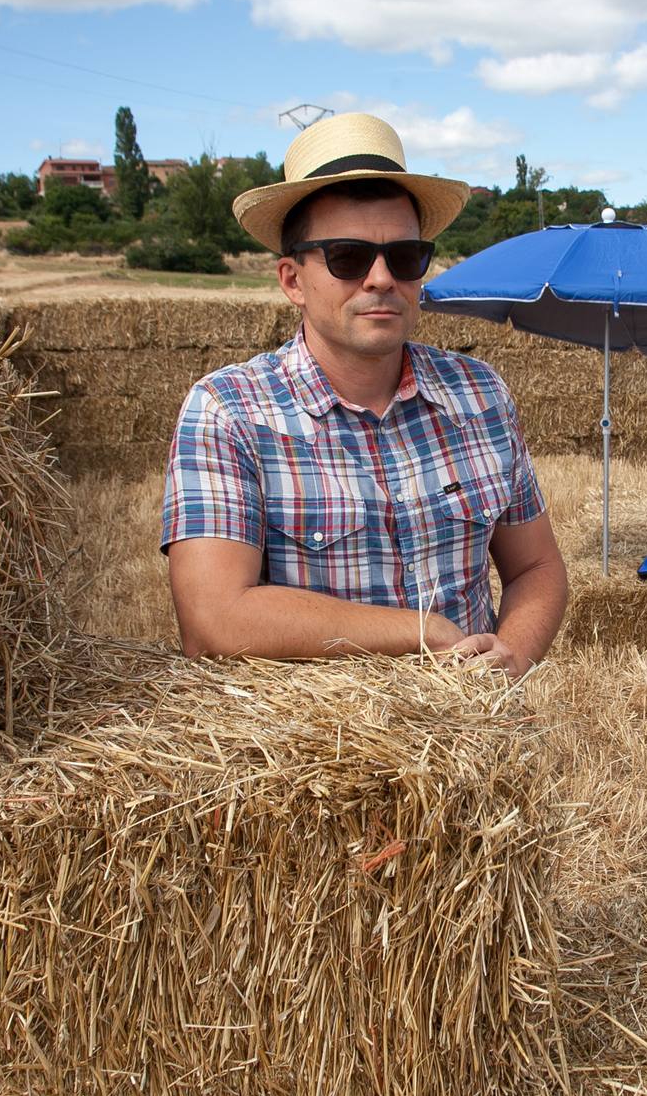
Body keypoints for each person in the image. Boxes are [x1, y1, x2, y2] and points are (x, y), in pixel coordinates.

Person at [162, 112, 567, 678]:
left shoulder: (480, 395)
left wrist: (510, 658)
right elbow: (213, 621)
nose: (381, 278)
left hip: (479, 746)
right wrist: (419, 633)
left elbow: (537, 567)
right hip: (313, 756)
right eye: (347, 257)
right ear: (292, 280)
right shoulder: (228, 412)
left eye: (404, 257)